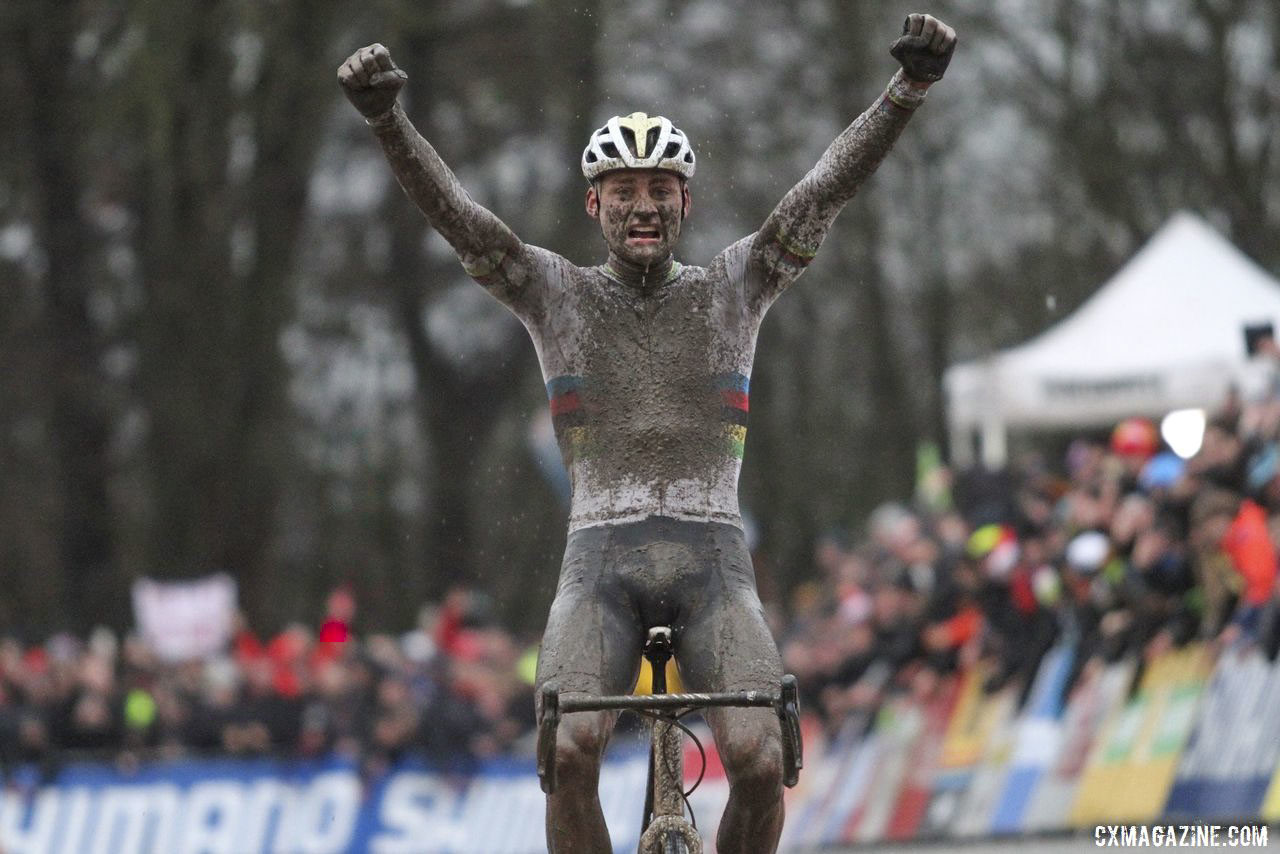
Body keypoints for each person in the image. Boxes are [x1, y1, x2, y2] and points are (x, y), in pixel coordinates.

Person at [339, 14, 956, 852]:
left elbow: (821, 193)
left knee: (759, 758)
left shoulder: (737, 284)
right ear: (593, 204)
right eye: (623, 191)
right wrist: (388, 120)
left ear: (685, 202)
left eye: (660, 189)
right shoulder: (552, 290)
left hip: (714, 563)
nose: (642, 205)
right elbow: (459, 218)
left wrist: (906, 92)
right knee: (569, 746)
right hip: (599, 561)